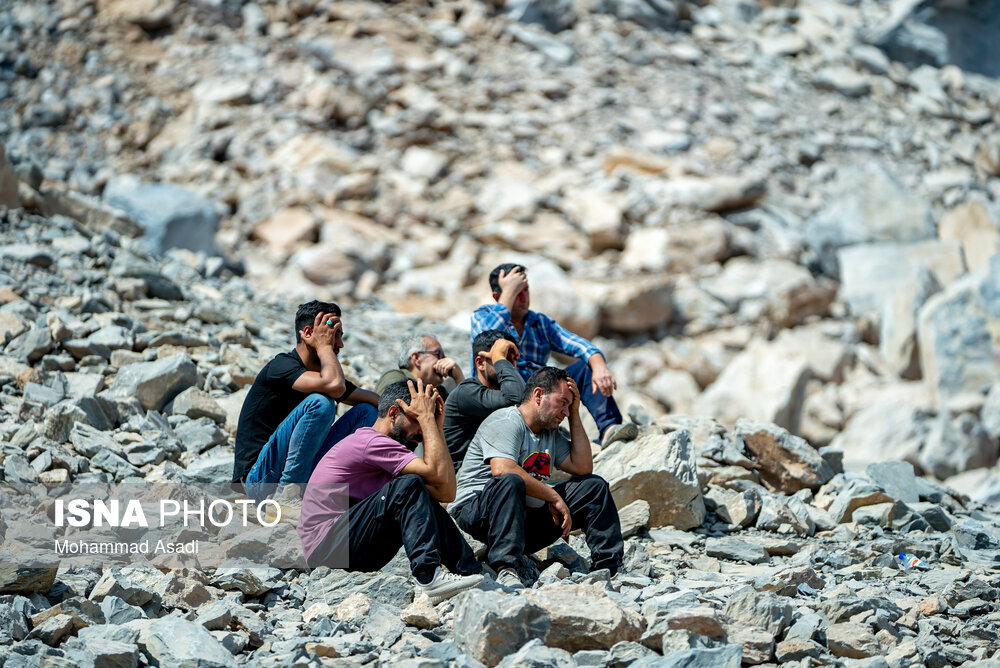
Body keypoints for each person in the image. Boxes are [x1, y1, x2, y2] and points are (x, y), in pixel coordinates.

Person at [297, 380, 484, 603]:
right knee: (410, 485)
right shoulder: (370, 441)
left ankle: (470, 571)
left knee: (422, 496)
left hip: (349, 546)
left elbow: (446, 493)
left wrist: (437, 428)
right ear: (394, 413)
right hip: (325, 548)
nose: (422, 433)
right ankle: (428, 575)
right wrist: (427, 420)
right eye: (417, 421)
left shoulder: (392, 457)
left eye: (426, 424)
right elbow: (434, 472)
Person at [449, 366, 624, 590]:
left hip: (523, 520)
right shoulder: (505, 421)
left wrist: (576, 412)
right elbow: (502, 469)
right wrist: (553, 496)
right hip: (478, 513)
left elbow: (582, 466)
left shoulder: (549, 432)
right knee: (510, 481)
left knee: (594, 487)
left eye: (569, 405)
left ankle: (609, 568)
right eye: (562, 402)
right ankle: (506, 568)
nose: (565, 411)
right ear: (539, 395)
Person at [233, 301, 379, 516]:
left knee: (367, 412)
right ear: (308, 333)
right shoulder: (281, 366)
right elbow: (334, 386)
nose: (339, 344)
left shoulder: (323, 377)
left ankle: (335, 492)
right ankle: (287, 497)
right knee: (321, 403)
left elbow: (375, 400)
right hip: (260, 481)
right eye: (333, 334)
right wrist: (324, 347)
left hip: (300, 473)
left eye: (339, 336)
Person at [469, 263, 637, 447]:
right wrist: (508, 292)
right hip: (502, 394)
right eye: (517, 292)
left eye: (526, 290)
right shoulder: (483, 316)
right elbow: (485, 337)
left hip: (538, 393)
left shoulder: (539, 322)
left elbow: (578, 344)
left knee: (585, 367)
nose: (524, 298)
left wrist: (599, 367)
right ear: (498, 296)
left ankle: (609, 429)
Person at [443, 329, 524, 468]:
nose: (511, 367)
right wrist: (500, 358)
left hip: (493, 474)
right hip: (462, 481)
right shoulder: (466, 392)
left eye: (514, 360)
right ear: (480, 363)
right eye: (504, 359)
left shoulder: (506, 392)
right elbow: (518, 399)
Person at [375, 334, 464, 396]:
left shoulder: (438, 391)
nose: (444, 361)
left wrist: (459, 378)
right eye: (438, 354)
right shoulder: (395, 378)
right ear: (416, 358)